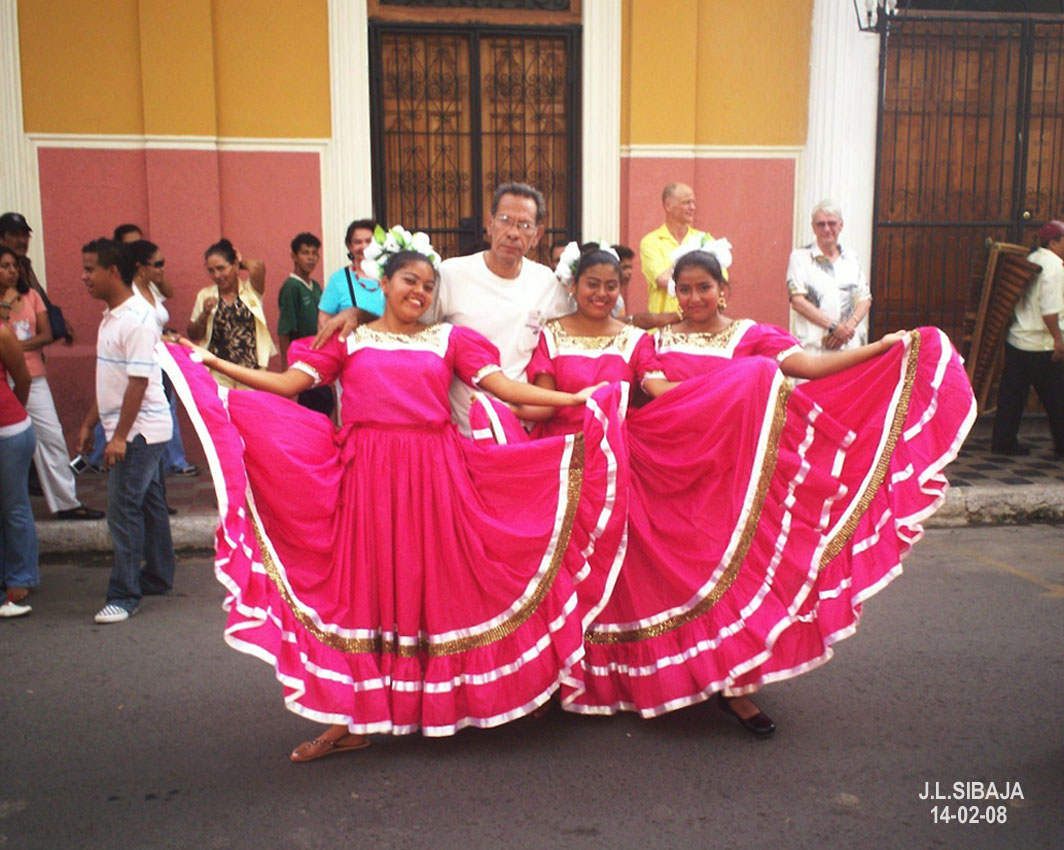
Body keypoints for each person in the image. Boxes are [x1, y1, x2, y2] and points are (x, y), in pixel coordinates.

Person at [159, 233, 628, 759]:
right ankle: (348, 720)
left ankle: (453, 700)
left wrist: (573, 397)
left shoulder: (450, 340)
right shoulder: (348, 339)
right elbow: (289, 384)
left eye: (429, 285)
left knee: (442, 589)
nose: (420, 292)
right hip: (366, 479)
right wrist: (213, 364)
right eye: (410, 280)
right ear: (382, 282)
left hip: (437, 476)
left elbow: (504, 389)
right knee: (369, 594)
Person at [474, 245, 976, 736]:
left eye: (703, 289)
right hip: (667, 473)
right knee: (630, 581)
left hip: (735, 472)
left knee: (734, 580)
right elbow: (648, 393)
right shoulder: (658, 342)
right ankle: (560, 679)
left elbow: (804, 367)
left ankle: (734, 685)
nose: (693, 299)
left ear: (724, 290)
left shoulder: (749, 335)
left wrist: (876, 350)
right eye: (684, 290)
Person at [76, 239, 175, 624]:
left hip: (140, 432)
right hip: (135, 427)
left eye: (90, 269)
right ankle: (158, 576)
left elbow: (137, 383)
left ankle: (124, 594)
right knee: (147, 503)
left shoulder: (135, 318)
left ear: (112, 272)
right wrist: (89, 423)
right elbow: (113, 380)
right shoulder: (115, 314)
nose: (84, 277)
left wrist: (118, 438)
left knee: (122, 509)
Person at [0, 246, 102, 520]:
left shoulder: (31, 296)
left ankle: (66, 502)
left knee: (52, 436)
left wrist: (13, 347)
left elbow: (47, 334)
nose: (11, 271)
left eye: (14, 266)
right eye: (5, 266)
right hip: (2, 380)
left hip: (32, 376)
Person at [991, 220, 1064, 456]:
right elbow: (1049, 311)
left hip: (1018, 339)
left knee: (1011, 396)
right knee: (1057, 399)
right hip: (1040, 343)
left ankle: (1003, 442)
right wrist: (1058, 339)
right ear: (1054, 242)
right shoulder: (1054, 268)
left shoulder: (1032, 259)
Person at [786, 200, 871, 353]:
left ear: (841, 225)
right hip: (815, 350)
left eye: (831, 223)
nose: (826, 229)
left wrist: (848, 328)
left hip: (851, 347)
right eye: (820, 224)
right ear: (813, 227)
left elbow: (865, 298)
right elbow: (797, 301)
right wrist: (834, 327)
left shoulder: (851, 258)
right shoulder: (800, 258)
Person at [187, 239, 274, 388]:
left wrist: (239, 261)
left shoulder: (251, 291)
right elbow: (193, 334)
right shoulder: (205, 295)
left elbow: (257, 266)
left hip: (250, 371)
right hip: (218, 371)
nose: (217, 275)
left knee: (249, 410)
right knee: (221, 410)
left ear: (234, 265)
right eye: (211, 271)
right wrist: (205, 314)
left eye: (221, 268)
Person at [0, 320, 36, 618]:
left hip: (9, 431)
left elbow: (23, 379)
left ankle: (20, 577)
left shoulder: (2, 332)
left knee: (13, 505)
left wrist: (13, 412)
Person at [278, 233, 333, 416]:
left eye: (314, 253)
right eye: (305, 253)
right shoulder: (291, 288)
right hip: (302, 361)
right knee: (309, 412)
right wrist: (287, 370)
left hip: (319, 357)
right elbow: (285, 329)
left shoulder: (316, 287)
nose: (310, 258)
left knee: (326, 403)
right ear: (294, 256)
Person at [0, 212, 74, 345]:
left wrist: (58, 322)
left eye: (25, 235)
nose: (22, 240)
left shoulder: (24, 265)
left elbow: (39, 298)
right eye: (15, 235)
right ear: (1, 238)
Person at [639, 183, 712, 315]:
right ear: (668, 206)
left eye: (693, 202)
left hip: (700, 324)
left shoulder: (704, 239)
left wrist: (673, 270)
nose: (692, 207)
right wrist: (699, 275)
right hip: (663, 326)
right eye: (686, 203)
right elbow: (662, 279)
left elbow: (718, 279)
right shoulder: (651, 242)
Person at [317, 219, 383, 329]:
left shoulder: (391, 276)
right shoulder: (338, 280)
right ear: (349, 246)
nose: (364, 246)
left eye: (369, 241)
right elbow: (323, 321)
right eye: (358, 242)